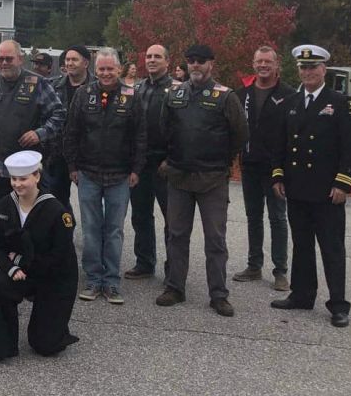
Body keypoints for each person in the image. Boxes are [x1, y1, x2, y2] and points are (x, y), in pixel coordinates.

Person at [270, 44, 351, 328]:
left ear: (324, 70)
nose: (308, 72)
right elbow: (280, 145)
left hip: (327, 191)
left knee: (332, 248)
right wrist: (278, 176)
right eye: (303, 68)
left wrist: (343, 183)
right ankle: (302, 294)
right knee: (302, 245)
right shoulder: (291, 103)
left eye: (313, 67)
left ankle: (338, 304)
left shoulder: (339, 103)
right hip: (297, 189)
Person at [156, 45, 248, 317]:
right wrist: (168, 159)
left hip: (212, 179)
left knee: (215, 239)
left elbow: (241, 134)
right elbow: (164, 130)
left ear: (211, 64)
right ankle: (175, 287)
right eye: (191, 61)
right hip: (179, 176)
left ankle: (218, 295)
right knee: (176, 235)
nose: (195, 65)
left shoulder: (225, 96)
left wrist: (224, 160)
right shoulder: (174, 93)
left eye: (201, 61)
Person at [64, 47, 146, 304]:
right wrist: (72, 167)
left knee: (113, 231)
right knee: (90, 230)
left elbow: (140, 136)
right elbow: (71, 132)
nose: (106, 73)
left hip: (120, 175)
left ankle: (111, 282)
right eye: (102, 69)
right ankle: (93, 280)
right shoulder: (83, 93)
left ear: (119, 69)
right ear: (95, 69)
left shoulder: (132, 96)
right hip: (87, 173)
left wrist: (136, 169)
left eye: (111, 68)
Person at [0, 150, 78, 364]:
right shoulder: (4, 205)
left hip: (55, 276)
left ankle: (55, 324)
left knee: (45, 346)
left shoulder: (56, 210)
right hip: (22, 271)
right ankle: (3, 347)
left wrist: (19, 262)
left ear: (37, 176)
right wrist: (10, 267)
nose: (17, 184)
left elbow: (59, 256)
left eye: (23, 178)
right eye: (14, 179)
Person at [232, 46, 295, 291]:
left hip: (277, 170)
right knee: (253, 217)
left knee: (278, 218)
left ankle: (280, 271)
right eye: (259, 61)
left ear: (277, 64)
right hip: (250, 165)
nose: (263, 65)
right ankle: (254, 266)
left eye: (268, 61)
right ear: (253, 63)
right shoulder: (242, 94)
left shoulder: (289, 94)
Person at [0, 40, 66, 199]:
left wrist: (39, 134)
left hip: (26, 169)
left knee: (29, 217)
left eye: (9, 59)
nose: (3, 63)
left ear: (20, 59)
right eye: (0, 59)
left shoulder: (38, 83)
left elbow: (59, 114)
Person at [126, 44, 173, 279]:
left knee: (172, 220)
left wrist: (171, 159)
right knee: (140, 215)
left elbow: (183, 129)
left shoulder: (177, 90)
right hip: (141, 164)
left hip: (165, 165)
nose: (152, 60)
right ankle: (144, 262)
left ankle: (173, 268)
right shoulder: (137, 88)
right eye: (148, 56)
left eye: (157, 56)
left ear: (167, 62)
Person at [43, 45, 95, 212]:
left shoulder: (98, 87)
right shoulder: (53, 86)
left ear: (85, 63)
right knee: (57, 201)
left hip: (88, 156)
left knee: (91, 203)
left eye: (74, 59)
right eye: (67, 60)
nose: (70, 63)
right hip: (57, 154)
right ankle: (64, 234)